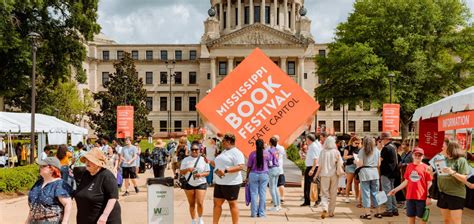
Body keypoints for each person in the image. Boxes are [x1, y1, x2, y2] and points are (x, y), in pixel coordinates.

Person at [75, 148, 121, 224]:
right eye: (86, 160)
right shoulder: (85, 174)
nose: (87, 162)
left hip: (104, 220)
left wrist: (104, 215)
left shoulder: (107, 176)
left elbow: (113, 197)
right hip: (86, 218)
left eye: (91, 160)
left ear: (98, 163)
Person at [389, 147, 432, 224]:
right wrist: (395, 189)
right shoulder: (409, 166)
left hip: (421, 198)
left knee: (422, 220)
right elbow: (406, 181)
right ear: (412, 155)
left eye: (420, 155)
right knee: (410, 218)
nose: (418, 157)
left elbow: (429, 183)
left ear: (423, 156)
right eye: (416, 155)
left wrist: (428, 196)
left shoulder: (426, 167)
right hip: (410, 197)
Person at [26, 157, 72, 223]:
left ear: (52, 169)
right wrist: (27, 221)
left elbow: (68, 204)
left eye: (43, 166)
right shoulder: (38, 183)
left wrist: (64, 222)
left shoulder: (59, 184)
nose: (40, 168)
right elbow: (34, 207)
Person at [212, 133, 245, 224]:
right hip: (220, 182)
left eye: (223, 141)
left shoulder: (237, 152)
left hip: (231, 183)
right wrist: (211, 163)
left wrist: (226, 171)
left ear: (229, 141)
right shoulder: (224, 151)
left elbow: (240, 167)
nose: (222, 143)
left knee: (232, 204)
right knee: (217, 204)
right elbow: (219, 164)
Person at [436, 141, 471, 224]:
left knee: (456, 221)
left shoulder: (461, 160)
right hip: (443, 194)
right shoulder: (443, 159)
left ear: (450, 148)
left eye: (443, 146)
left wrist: (452, 172)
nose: (442, 148)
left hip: (456, 195)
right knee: (446, 220)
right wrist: (430, 171)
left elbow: (464, 178)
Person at [180, 143, 210, 224]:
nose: (194, 151)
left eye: (196, 149)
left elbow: (207, 172)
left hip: (201, 183)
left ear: (199, 150)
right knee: (191, 203)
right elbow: (181, 172)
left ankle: (200, 218)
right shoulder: (186, 160)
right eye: (192, 149)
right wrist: (188, 169)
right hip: (189, 183)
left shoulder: (203, 159)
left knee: (200, 203)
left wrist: (201, 175)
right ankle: (193, 220)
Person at [314, 136, 342, 218]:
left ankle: (324, 208)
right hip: (334, 175)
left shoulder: (323, 152)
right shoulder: (336, 152)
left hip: (324, 175)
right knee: (333, 194)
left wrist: (315, 175)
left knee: (324, 193)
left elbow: (319, 166)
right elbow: (340, 164)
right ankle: (331, 212)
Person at [356, 136, 383, 220]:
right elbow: (379, 164)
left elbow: (360, 163)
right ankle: (378, 212)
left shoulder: (362, 151)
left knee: (365, 193)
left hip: (365, 173)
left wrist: (355, 161)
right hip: (374, 172)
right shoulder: (377, 151)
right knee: (376, 193)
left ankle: (367, 214)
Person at [246, 139, 272, 217]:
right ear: (263, 144)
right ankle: (261, 213)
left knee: (254, 194)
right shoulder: (267, 154)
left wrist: (247, 177)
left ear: (256, 145)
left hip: (253, 175)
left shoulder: (252, 154)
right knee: (263, 194)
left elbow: (249, 167)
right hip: (264, 175)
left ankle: (253, 213)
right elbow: (270, 165)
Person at [379, 132, 399, 217]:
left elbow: (380, 160)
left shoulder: (386, 148)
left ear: (385, 139)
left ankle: (389, 210)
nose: (381, 141)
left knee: (387, 191)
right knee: (392, 191)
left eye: (381, 140)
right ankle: (394, 209)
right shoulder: (393, 146)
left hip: (386, 172)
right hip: (393, 172)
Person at [301, 133, 322, 206]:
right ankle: (307, 201)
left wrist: (312, 169)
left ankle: (318, 200)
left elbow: (315, 159)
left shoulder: (313, 147)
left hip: (312, 167)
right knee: (307, 185)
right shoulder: (311, 146)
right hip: (310, 167)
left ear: (309, 140)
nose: (306, 140)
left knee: (314, 184)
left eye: (306, 139)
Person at [343, 136, 361, 204]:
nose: (357, 144)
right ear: (352, 141)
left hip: (357, 166)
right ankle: (347, 197)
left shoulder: (359, 148)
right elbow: (344, 157)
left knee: (356, 183)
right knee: (349, 182)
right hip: (350, 165)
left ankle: (357, 197)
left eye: (358, 143)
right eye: (356, 143)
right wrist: (351, 156)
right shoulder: (348, 147)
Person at [267, 137, 281, 211]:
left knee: (272, 188)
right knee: (275, 187)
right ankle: (278, 205)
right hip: (277, 168)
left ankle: (275, 205)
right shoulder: (277, 150)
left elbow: (269, 161)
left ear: (270, 143)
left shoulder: (269, 151)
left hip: (272, 169)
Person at [274, 135, 287, 204]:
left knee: (273, 184)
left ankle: (275, 198)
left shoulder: (269, 148)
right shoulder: (281, 148)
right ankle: (282, 198)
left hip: (272, 168)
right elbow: (284, 155)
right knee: (281, 184)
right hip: (279, 168)